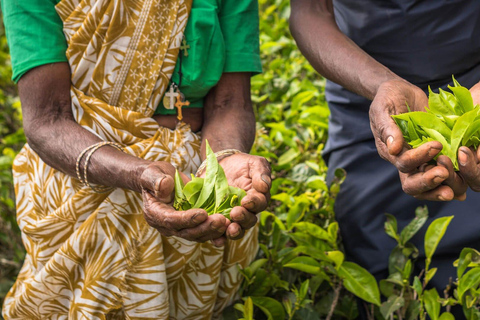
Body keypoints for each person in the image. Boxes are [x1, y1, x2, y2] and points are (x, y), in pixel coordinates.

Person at [1, 0, 271, 318]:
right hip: (81, 180)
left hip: (194, 182)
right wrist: (139, 172)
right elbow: (49, 120)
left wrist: (225, 159)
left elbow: (229, 103)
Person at [290, 0, 480, 318]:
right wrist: (382, 85)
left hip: (473, 79)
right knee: (375, 254)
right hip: (366, 92)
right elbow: (309, 13)